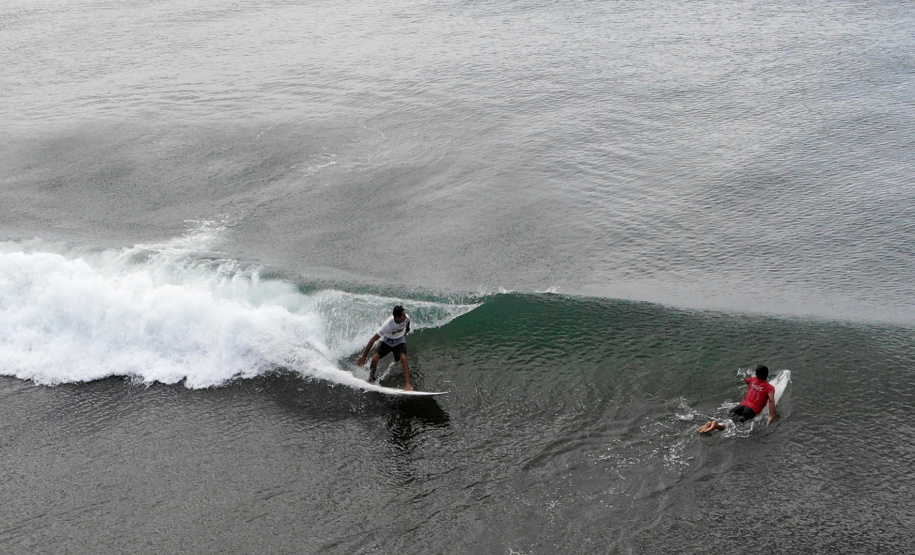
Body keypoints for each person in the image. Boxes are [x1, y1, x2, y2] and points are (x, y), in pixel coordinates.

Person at [699, 365, 776, 433]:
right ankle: (716, 425)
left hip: (740, 406)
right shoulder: (770, 388)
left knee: (729, 420)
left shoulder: (752, 380)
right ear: (767, 375)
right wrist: (772, 416)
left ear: (756, 374)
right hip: (751, 410)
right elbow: (771, 401)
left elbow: (746, 380)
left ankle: (711, 424)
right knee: (734, 426)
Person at [357, 305, 413, 391]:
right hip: (387, 340)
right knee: (375, 358)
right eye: (403, 315)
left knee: (403, 359)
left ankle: (408, 385)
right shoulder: (388, 325)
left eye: (405, 314)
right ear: (397, 317)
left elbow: (408, 326)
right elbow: (372, 340)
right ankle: (371, 379)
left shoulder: (406, 318)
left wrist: (405, 333)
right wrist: (364, 356)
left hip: (399, 339)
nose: (405, 316)